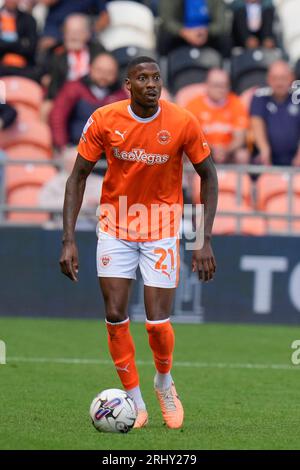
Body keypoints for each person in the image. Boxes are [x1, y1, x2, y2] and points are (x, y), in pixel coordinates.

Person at [59, 56, 218, 429]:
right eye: (142, 78)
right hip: (115, 224)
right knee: (115, 316)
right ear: (127, 85)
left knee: (157, 322)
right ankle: (133, 399)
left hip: (162, 227)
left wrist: (202, 238)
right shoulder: (104, 119)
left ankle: (164, 383)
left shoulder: (182, 121)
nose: (151, 84)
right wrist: (68, 240)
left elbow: (208, 176)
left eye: (156, 77)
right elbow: (77, 177)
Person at [49, 52, 127, 150]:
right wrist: (62, 146)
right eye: (99, 70)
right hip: (76, 148)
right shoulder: (74, 88)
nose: (104, 76)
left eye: (109, 72)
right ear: (90, 68)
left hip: (110, 152)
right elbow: (57, 117)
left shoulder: (120, 95)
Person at [186, 69, 249, 164]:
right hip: (203, 151)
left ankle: (239, 179)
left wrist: (225, 150)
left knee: (242, 155)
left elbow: (239, 138)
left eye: (225, 85)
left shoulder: (236, 103)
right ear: (207, 85)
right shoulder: (193, 105)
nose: (221, 89)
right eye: (216, 85)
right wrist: (211, 149)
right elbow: (192, 138)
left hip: (229, 152)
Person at [250, 60, 300, 166]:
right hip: (267, 158)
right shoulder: (260, 97)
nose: (279, 83)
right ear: (268, 79)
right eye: (275, 78)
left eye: (283, 78)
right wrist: (264, 149)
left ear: (292, 78)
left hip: (296, 158)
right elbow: (257, 123)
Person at [39, 146, 102, 228]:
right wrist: (84, 203)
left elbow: (110, 206)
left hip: (92, 224)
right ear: (67, 163)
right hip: (61, 225)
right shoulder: (54, 183)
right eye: (75, 162)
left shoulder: (99, 182)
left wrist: (97, 203)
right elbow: (43, 203)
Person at [158, 0, 231, 56]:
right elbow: (167, 21)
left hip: (207, 34)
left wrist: (206, 31)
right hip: (181, 34)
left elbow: (220, 24)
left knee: (224, 38)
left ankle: (222, 72)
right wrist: (184, 32)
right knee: (165, 37)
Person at [39, 0, 109, 52]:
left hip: (81, 29)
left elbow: (105, 18)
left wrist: (90, 31)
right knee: (46, 47)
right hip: (55, 27)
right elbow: (45, 2)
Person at [0, 0, 38, 79]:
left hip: (23, 69)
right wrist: (19, 43)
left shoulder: (28, 20)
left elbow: (31, 47)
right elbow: (25, 45)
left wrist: (4, 44)